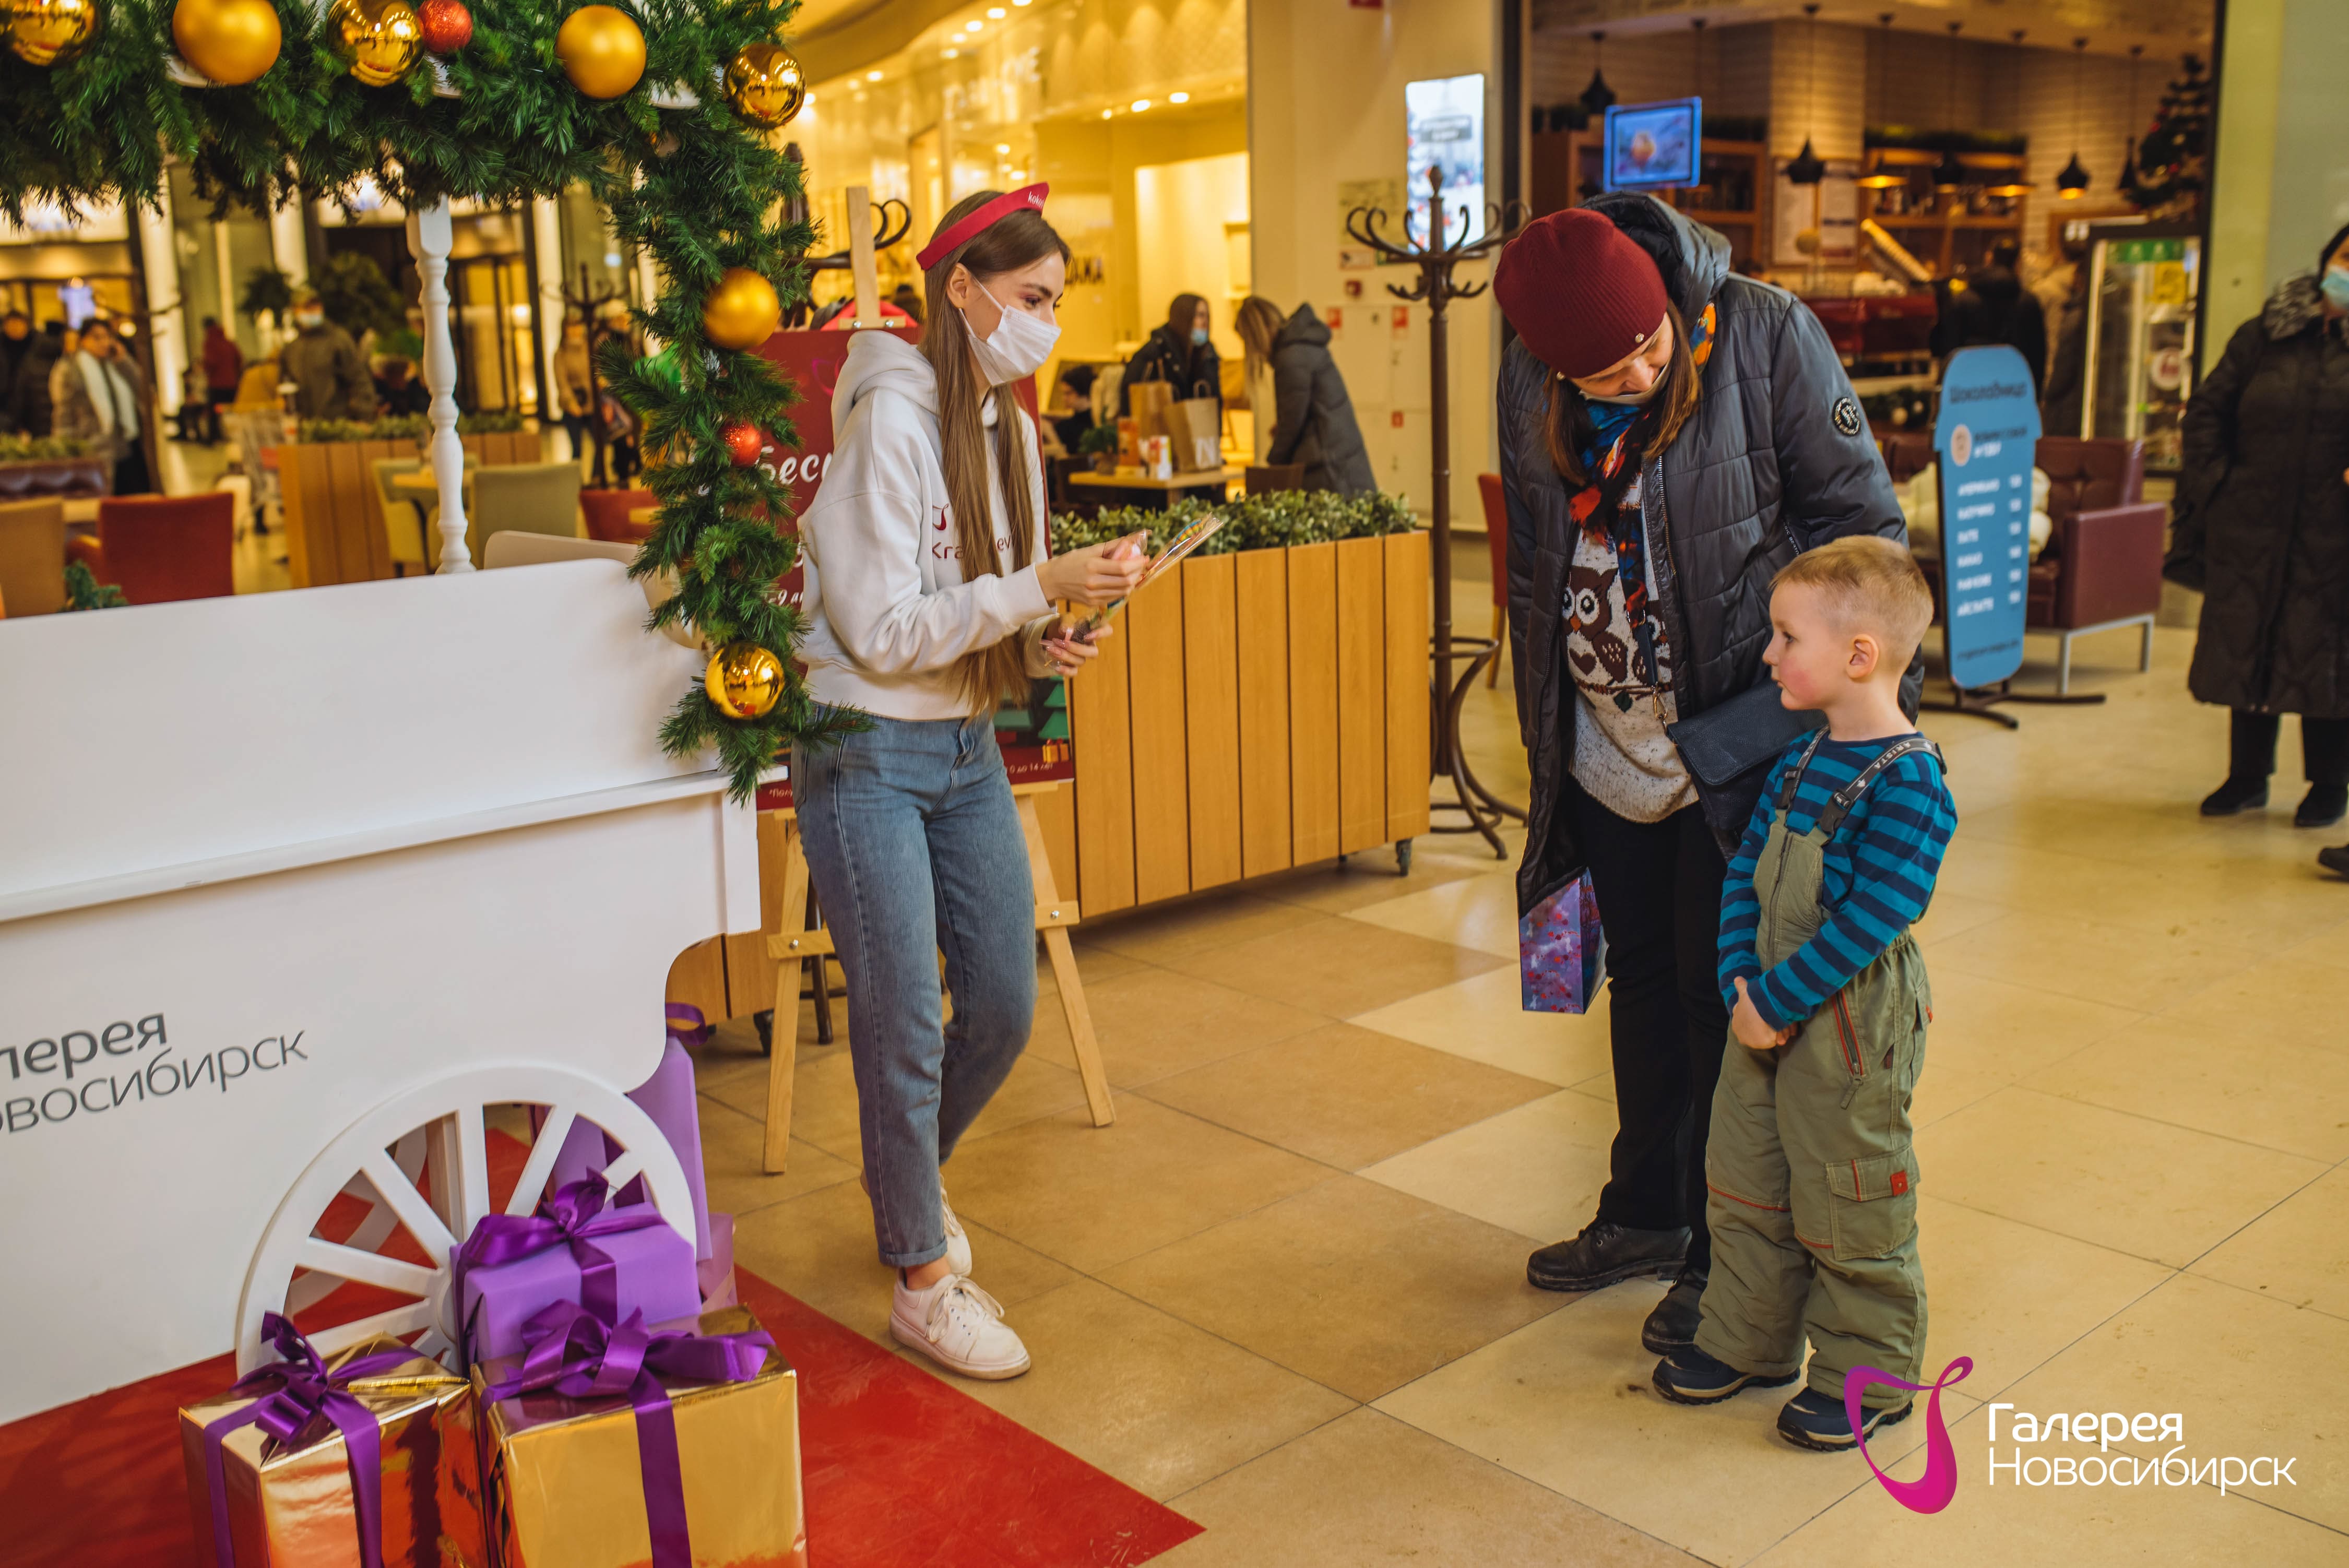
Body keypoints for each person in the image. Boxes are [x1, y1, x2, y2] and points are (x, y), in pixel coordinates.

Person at [1494, 197, 1913, 1360]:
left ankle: (1723, 1252)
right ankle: (1644, 1209)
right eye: (1601, 372)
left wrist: (1852, 722)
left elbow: (1866, 536)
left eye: (1647, 348)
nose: (1635, 376)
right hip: (1604, 739)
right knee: (1636, 979)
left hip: (1741, 739)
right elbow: (1535, 556)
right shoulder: (1527, 371)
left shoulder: (1767, 332)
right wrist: (1546, 719)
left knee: (1716, 993)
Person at [794, 185, 1149, 1381]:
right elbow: (883, 631)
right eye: (1032, 297)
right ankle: (921, 1281)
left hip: (962, 742)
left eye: (1056, 300)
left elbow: (988, 609)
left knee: (1001, 1002)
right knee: (901, 1020)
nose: (1047, 323)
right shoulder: (887, 422)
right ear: (962, 289)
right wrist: (1038, 586)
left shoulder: (1008, 427)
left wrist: (1048, 636)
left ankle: (906, 1185)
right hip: (864, 744)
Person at [1651, 537, 1954, 1452]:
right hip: (1764, 1007)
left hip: (1847, 1025)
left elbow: (1873, 918)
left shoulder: (1910, 781)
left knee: (1846, 1195)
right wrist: (1739, 982)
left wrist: (1777, 1000)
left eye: (1787, 637)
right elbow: (1746, 871)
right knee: (1747, 1181)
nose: (1770, 654)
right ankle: (1748, 1340)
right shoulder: (1799, 756)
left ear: (1859, 655)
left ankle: (1870, 1375)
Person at [2169, 222, 2349, 836]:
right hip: (2251, 522)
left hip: (2334, 529)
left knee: (2326, 652)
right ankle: (2246, 776)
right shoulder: (2264, 334)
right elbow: (2207, 412)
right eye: (2346, 255)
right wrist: (2217, 486)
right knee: (2248, 641)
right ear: (2327, 257)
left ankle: (2329, 784)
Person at [1234, 295, 1374, 493]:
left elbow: (1292, 422)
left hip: (1327, 465)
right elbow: (1304, 409)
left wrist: (1274, 463)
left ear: (1257, 335)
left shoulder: (1291, 359)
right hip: (1338, 455)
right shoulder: (1301, 347)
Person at [50, 316, 153, 494]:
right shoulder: (69, 369)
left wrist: (124, 360)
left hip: (126, 445)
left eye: (107, 337)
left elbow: (140, 386)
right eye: (97, 338)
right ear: (83, 340)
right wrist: (65, 449)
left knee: (135, 496)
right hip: (93, 447)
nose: (104, 343)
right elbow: (63, 414)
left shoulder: (114, 364)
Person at [1935, 240, 2047, 398]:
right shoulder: (2029, 302)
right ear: (2018, 263)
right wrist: (2035, 396)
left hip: (1969, 391)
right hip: (2014, 390)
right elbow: (2037, 355)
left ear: (1989, 258)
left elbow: (1949, 350)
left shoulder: (1962, 300)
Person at [280, 290, 373, 420]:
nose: (313, 311)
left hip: (337, 423)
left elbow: (360, 379)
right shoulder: (292, 349)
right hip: (305, 425)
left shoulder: (338, 340)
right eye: (307, 307)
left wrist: (363, 416)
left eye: (316, 306)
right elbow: (286, 385)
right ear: (295, 310)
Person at [1120, 292, 1219, 414]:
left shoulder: (1208, 354)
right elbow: (1130, 397)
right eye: (1199, 315)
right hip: (1163, 422)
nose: (1205, 322)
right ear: (1183, 318)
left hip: (1201, 423)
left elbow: (1215, 398)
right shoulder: (1154, 353)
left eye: (1207, 316)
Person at [11, 320, 64, 436]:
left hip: (35, 423)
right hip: (60, 422)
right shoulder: (62, 364)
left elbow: (19, 398)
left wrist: (19, 424)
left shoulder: (28, 364)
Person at [554, 315, 595, 460]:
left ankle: (596, 473)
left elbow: (596, 373)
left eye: (578, 326)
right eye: (571, 327)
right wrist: (571, 403)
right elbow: (562, 382)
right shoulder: (561, 354)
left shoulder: (589, 348)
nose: (575, 330)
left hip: (591, 404)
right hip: (573, 405)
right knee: (577, 448)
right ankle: (576, 474)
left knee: (599, 444)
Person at [200, 316, 243, 445]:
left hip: (217, 384)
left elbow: (211, 362)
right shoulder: (228, 342)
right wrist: (234, 373)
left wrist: (206, 369)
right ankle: (235, 435)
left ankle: (213, 438)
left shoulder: (210, 343)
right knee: (232, 411)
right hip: (231, 383)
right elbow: (239, 358)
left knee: (213, 413)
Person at [0, 311, 32, 432]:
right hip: (5, 406)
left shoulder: (36, 345)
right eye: (11, 324)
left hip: (31, 404)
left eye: (18, 324)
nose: (15, 328)